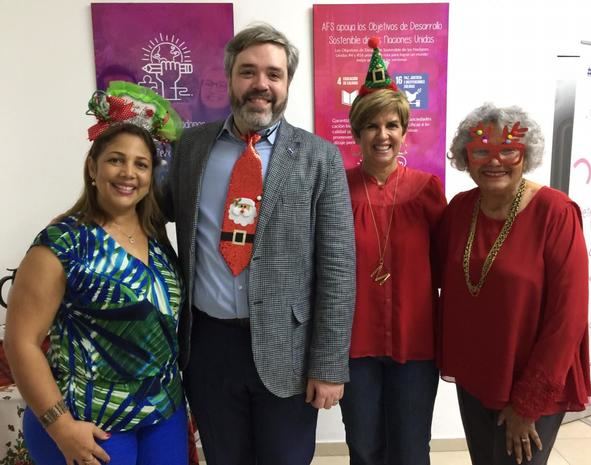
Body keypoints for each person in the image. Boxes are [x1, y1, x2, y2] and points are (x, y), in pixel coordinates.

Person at [161, 23, 356, 465]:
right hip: (208, 346)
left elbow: (338, 268)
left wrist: (328, 366)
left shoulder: (320, 157)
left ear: (287, 83)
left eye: (274, 74)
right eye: (248, 72)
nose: (261, 85)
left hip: (288, 346)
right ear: (231, 78)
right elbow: (150, 213)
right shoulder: (191, 147)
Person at [4, 82, 188, 465]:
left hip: (162, 415)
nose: (128, 173)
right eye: (116, 160)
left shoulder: (156, 236)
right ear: (93, 167)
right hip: (89, 420)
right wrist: (60, 426)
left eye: (141, 164)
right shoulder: (61, 243)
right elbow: (20, 341)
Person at [438, 103, 591, 465]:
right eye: (481, 151)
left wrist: (528, 403)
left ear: (526, 154)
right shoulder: (460, 209)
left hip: (533, 382)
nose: (495, 161)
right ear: (465, 157)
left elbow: (568, 318)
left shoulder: (556, 213)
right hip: (477, 377)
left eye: (508, 150)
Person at [339, 38, 446, 465]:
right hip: (354, 344)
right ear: (358, 132)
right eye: (371, 126)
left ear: (403, 130)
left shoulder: (427, 190)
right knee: (364, 448)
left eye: (391, 125)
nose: (382, 136)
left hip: (415, 344)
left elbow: (447, 267)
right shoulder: (337, 189)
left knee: (411, 448)